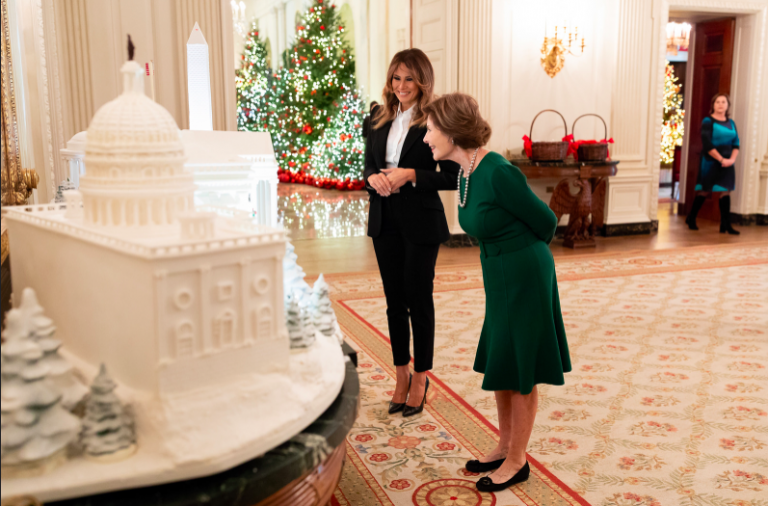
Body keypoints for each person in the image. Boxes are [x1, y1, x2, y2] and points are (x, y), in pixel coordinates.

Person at [422, 93, 571, 492]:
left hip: (524, 273)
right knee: (504, 360)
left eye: (431, 129)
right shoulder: (465, 171)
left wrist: (523, 256)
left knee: (522, 368)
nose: (426, 137)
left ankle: (518, 461)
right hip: (499, 273)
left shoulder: (499, 171)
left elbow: (546, 221)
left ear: (452, 131)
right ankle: (505, 446)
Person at [364, 49, 459, 418]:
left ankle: (421, 378)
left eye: (409, 79)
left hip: (421, 221)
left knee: (418, 299)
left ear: (422, 82)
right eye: (396, 78)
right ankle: (401, 374)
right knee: (394, 301)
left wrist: (412, 175)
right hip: (384, 218)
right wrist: (373, 178)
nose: (401, 86)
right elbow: (368, 166)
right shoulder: (376, 116)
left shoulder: (436, 120)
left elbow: (452, 176)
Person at [686, 93, 740, 234]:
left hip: (728, 161)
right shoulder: (708, 121)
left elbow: (736, 144)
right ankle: (691, 217)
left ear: (728, 105)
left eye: (723, 102)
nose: (720, 104)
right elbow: (707, 144)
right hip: (711, 161)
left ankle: (725, 224)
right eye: (717, 102)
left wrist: (731, 160)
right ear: (713, 105)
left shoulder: (731, 123)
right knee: (705, 189)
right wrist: (721, 159)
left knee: (725, 190)